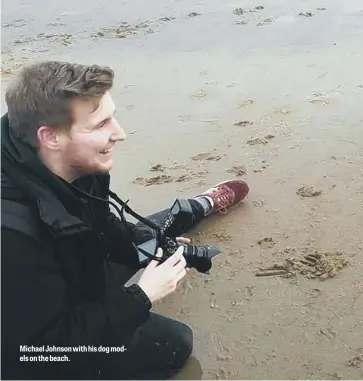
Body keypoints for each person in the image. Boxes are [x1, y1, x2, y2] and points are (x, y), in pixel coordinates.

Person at [1, 61, 249, 380]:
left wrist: (152, 250)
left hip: (64, 264)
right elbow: (38, 354)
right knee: (175, 343)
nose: (119, 134)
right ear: (50, 137)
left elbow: (99, 222)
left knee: (148, 241)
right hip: (29, 349)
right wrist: (141, 296)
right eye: (101, 124)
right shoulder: (12, 238)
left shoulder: (64, 161)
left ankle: (198, 206)